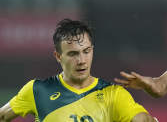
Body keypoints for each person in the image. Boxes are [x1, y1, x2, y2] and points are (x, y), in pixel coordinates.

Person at [0, 19, 157, 122]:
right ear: (58, 56)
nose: (81, 60)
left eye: (86, 51)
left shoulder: (113, 94)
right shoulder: (37, 90)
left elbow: (143, 120)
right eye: (73, 54)